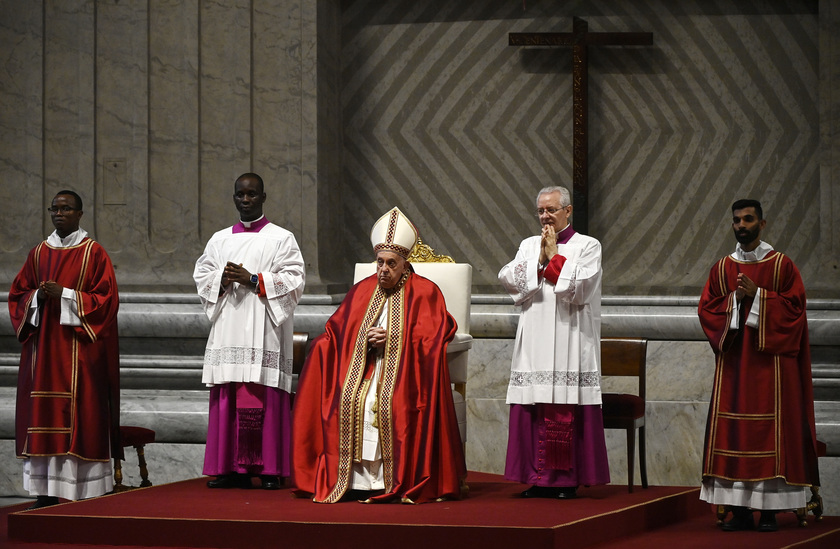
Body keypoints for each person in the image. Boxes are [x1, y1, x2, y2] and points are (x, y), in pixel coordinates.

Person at [292, 207, 466, 504]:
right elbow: (336, 329)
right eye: (379, 262)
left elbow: (437, 333)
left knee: (383, 401)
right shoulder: (362, 290)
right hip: (362, 367)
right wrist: (361, 338)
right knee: (350, 398)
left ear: (404, 263)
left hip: (406, 373)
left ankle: (389, 481)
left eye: (391, 264)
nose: (383, 270)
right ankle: (354, 480)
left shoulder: (425, 291)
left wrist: (395, 338)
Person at [698, 199, 820, 532]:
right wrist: (735, 300)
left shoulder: (782, 266)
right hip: (734, 371)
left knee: (771, 435)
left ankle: (769, 512)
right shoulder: (722, 268)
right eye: (736, 220)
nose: (741, 225)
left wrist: (760, 296)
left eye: (748, 219)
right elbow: (707, 310)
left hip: (772, 371)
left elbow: (796, 313)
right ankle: (738, 509)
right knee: (735, 434)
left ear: (762, 224)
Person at [9, 190, 121, 509]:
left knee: (78, 417)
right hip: (42, 354)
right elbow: (18, 295)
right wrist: (38, 298)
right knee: (42, 417)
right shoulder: (38, 253)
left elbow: (106, 301)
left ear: (79, 214)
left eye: (66, 209)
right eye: (55, 209)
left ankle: (80, 493)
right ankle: (45, 493)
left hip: (78, 354)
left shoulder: (93, 253)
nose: (59, 214)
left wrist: (67, 295)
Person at [194, 173, 305, 490]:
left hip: (264, 330)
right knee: (229, 395)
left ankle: (269, 469)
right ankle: (228, 468)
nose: (246, 199)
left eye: (252, 194)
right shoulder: (218, 240)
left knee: (263, 395)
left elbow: (294, 281)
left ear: (263, 197)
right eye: (240, 194)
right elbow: (203, 278)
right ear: (234, 198)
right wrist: (224, 280)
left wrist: (254, 279)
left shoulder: (282, 239)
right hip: (229, 330)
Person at [498, 185, 610, 499]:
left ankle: (566, 480)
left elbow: (580, 289)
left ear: (568, 211)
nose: (545, 216)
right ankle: (537, 478)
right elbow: (509, 279)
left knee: (565, 405)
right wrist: (539, 263)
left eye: (551, 209)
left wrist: (552, 259)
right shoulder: (528, 244)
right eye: (541, 210)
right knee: (533, 405)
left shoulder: (589, 246)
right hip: (534, 339)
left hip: (571, 339)